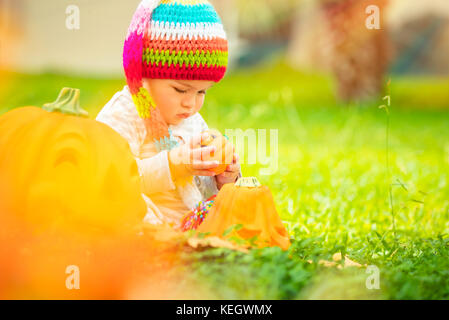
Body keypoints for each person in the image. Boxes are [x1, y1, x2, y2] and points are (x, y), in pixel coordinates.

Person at [96, 0, 241, 230]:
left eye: (201, 91)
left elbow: (196, 190)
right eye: (181, 90)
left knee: (244, 201)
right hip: (145, 227)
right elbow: (113, 178)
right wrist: (175, 164)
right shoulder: (124, 113)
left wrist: (221, 177)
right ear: (143, 76)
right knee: (118, 203)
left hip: (187, 224)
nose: (191, 103)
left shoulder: (191, 120)